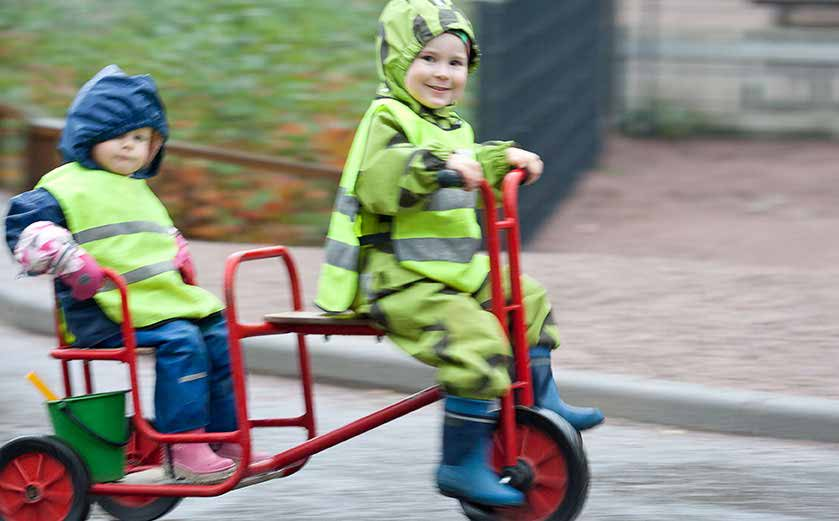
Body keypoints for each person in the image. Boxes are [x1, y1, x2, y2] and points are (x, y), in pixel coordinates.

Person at [315, 0, 604, 508]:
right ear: (400, 60)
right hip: (398, 278)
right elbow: (384, 177)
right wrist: (437, 166)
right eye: (428, 59)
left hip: (452, 270)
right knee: (475, 339)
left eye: (455, 63)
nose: (443, 74)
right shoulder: (387, 118)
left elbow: (466, 160)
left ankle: (539, 400)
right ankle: (460, 464)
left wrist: (501, 157)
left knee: (526, 297)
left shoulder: (451, 126)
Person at [4, 65, 259, 484]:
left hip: (156, 304)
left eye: (141, 139)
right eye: (118, 135)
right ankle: (184, 445)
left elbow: (151, 234)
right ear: (88, 134)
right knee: (183, 343)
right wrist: (67, 257)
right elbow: (25, 230)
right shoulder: (63, 185)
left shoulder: (137, 188)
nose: (129, 147)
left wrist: (176, 248)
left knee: (220, 335)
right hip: (101, 313)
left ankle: (226, 437)